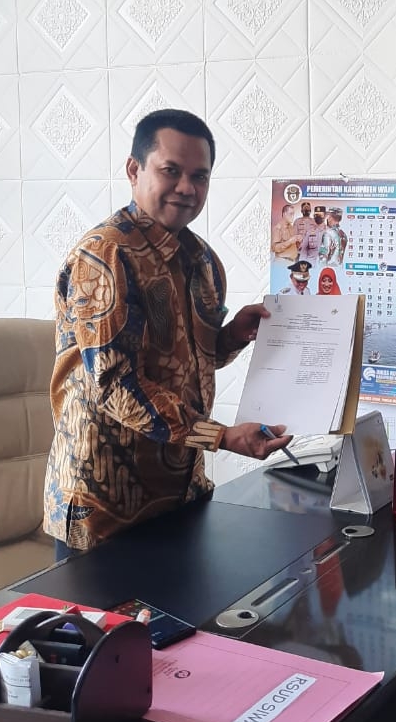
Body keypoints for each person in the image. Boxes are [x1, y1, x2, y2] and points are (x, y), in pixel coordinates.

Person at [43, 109, 292, 558]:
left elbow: (192, 360)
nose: (186, 188)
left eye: (200, 176)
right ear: (134, 170)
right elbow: (117, 387)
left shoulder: (202, 260)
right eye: (171, 171)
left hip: (181, 493)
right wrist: (221, 436)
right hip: (106, 506)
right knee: (105, 612)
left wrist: (233, 336)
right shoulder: (105, 257)